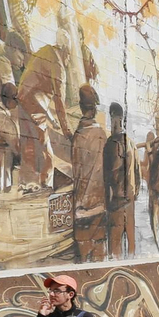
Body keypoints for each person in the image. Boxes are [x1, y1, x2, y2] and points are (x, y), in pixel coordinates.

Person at [70, 85, 109, 262]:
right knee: (98, 259)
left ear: (81, 107)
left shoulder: (77, 137)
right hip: (98, 206)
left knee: (82, 261)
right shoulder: (101, 135)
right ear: (94, 109)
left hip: (80, 208)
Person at [103, 101, 139, 259]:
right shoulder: (131, 143)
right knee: (131, 249)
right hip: (130, 204)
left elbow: (106, 179)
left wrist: (107, 204)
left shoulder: (110, 145)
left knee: (114, 251)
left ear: (115, 118)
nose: (111, 123)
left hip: (116, 204)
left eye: (111, 119)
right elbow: (138, 176)